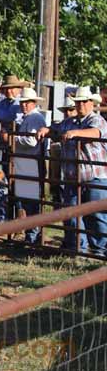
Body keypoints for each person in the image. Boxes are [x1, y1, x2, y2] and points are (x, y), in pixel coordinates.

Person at [37, 86, 107, 255]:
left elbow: (96, 132)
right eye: (78, 102)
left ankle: (100, 251)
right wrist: (47, 130)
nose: (80, 105)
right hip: (73, 177)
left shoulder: (97, 120)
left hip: (95, 176)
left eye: (84, 101)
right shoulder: (69, 122)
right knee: (72, 214)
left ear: (91, 103)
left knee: (96, 216)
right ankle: (78, 249)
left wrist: (76, 133)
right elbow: (57, 129)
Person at [12, 88, 47, 244]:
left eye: (27, 103)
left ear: (34, 103)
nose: (24, 105)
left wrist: (14, 139)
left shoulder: (35, 118)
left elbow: (32, 141)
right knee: (26, 199)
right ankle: (31, 234)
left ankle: (32, 235)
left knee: (30, 200)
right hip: (27, 161)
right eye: (23, 102)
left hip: (31, 161)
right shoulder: (30, 118)